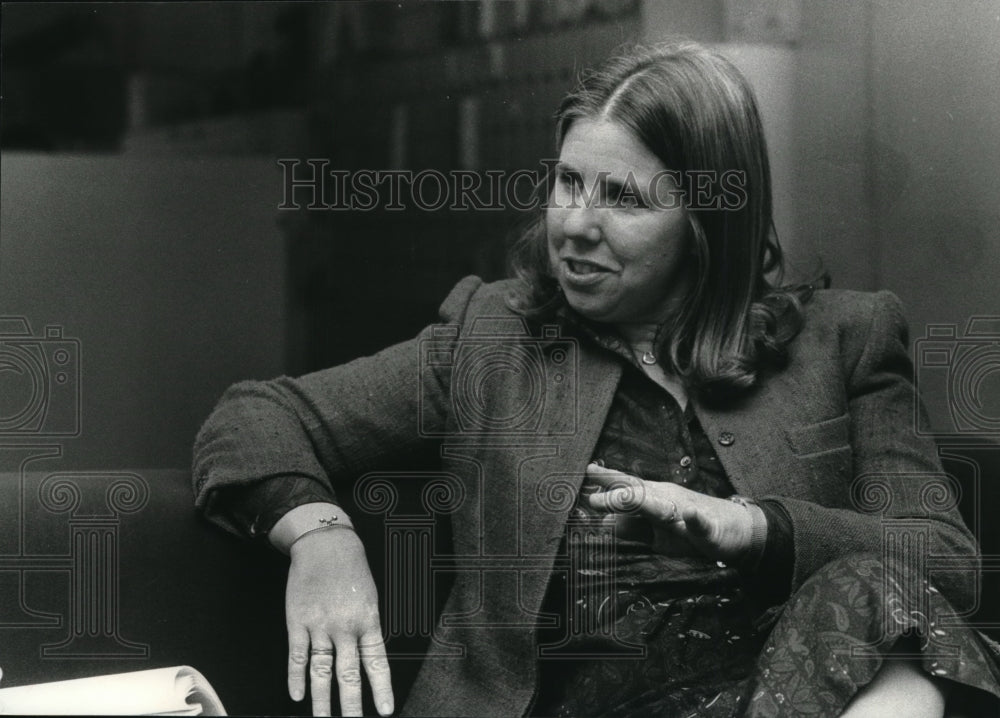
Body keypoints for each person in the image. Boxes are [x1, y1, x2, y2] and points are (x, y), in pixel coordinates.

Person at [193, 42, 1000, 717]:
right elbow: (256, 415)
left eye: (621, 198)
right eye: (568, 182)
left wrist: (752, 526)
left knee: (881, 612)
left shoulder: (845, 340)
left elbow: (945, 562)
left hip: (784, 695)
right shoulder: (495, 340)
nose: (574, 225)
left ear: (705, 222)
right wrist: (322, 538)